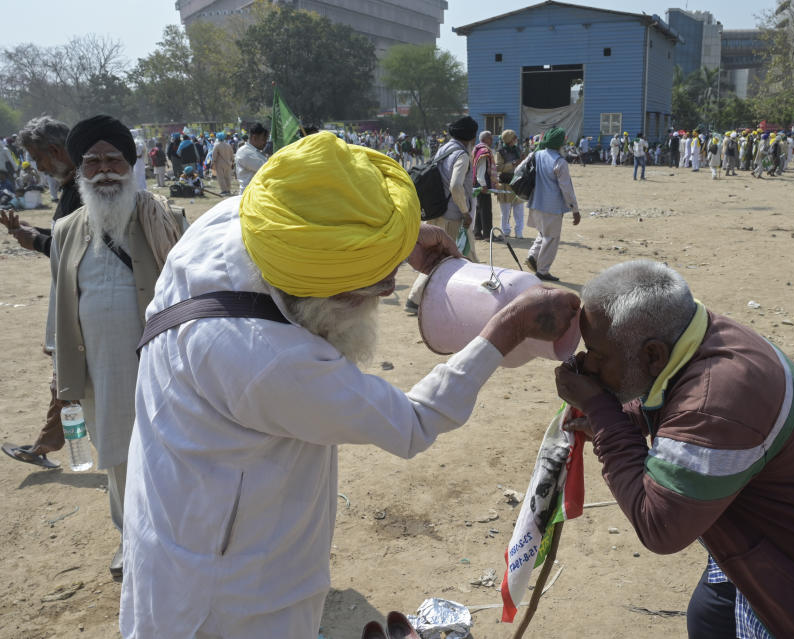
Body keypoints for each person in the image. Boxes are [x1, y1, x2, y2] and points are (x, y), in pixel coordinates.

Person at [119, 131, 579, 638]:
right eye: (375, 288)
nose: (389, 290)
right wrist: (505, 329)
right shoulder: (269, 361)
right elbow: (412, 423)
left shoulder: (240, 221)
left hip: (186, 519)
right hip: (230, 598)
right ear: (325, 297)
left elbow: (323, 222)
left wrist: (397, 240)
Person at [554, 259, 794, 639]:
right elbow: (667, 400)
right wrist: (623, 417)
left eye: (598, 354)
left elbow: (659, 525)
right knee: (708, 620)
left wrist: (605, 416)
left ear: (653, 354)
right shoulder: (695, 334)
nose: (586, 364)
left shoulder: (715, 402)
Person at [50, 114, 186, 580]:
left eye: (114, 160)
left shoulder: (164, 216)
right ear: (79, 171)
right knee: (118, 455)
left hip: (162, 362)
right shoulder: (66, 230)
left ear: (130, 165)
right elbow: (60, 301)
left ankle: (177, 540)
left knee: (169, 452)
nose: (104, 170)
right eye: (92, 162)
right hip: (102, 367)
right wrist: (61, 370)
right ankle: (131, 540)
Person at [0, 116, 82, 469]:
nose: (38, 167)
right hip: (72, 297)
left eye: (38, 158)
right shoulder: (70, 188)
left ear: (54, 151)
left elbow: (80, 252)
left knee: (67, 376)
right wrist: (33, 232)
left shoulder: (81, 190)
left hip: (81, 300)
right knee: (66, 377)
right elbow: (66, 240)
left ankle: (44, 445)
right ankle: (44, 444)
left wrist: (34, 241)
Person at [405, 116, 480, 313]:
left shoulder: (444, 149)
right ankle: (416, 298)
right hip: (453, 216)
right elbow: (456, 186)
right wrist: (465, 212)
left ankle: (416, 297)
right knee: (452, 256)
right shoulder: (462, 155)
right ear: (472, 137)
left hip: (438, 211)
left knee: (448, 255)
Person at [518, 126, 580, 282]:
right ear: (560, 143)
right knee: (551, 238)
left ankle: (533, 255)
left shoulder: (535, 155)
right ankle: (543, 271)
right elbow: (567, 188)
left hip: (534, 202)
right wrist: (575, 209)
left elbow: (519, 169)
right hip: (551, 207)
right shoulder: (560, 162)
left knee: (543, 233)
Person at [495, 129, 525, 238]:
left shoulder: (518, 149)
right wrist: (513, 164)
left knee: (519, 210)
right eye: (514, 137)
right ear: (509, 139)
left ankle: (519, 232)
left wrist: (524, 161)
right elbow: (498, 168)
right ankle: (505, 231)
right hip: (505, 184)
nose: (516, 139)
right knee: (505, 211)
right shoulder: (501, 152)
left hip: (518, 183)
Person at [472, 130, 498, 241]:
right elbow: (481, 169)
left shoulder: (477, 149)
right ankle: (488, 235)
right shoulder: (484, 151)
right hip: (482, 182)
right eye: (490, 138)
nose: (492, 140)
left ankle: (477, 232)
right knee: (486, 209)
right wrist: (483, 185)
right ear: (485, 139)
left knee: (479, 207)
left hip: (478, 182)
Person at [235, 123, 269, 194]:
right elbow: (267, 168)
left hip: (256, 193)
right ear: (254, 137)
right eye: (263, 139)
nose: (265, 143)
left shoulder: (255, 152)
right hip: (249, 194)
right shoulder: (246, 152)